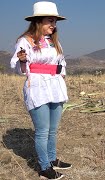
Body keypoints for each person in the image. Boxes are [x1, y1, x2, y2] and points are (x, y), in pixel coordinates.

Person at [10, 1, 71, 179]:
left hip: (56, 87)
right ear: (38, 21)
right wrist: (22, 60)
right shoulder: (25, 41)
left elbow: (61, 62)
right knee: (43, 130)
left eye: (55, 21)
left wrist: (62, 74)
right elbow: (20, 68)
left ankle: (52, 159)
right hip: (37, 88)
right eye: (49, 21)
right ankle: (44, 168)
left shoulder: (53, 41)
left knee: (53, 129)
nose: (53, 25)